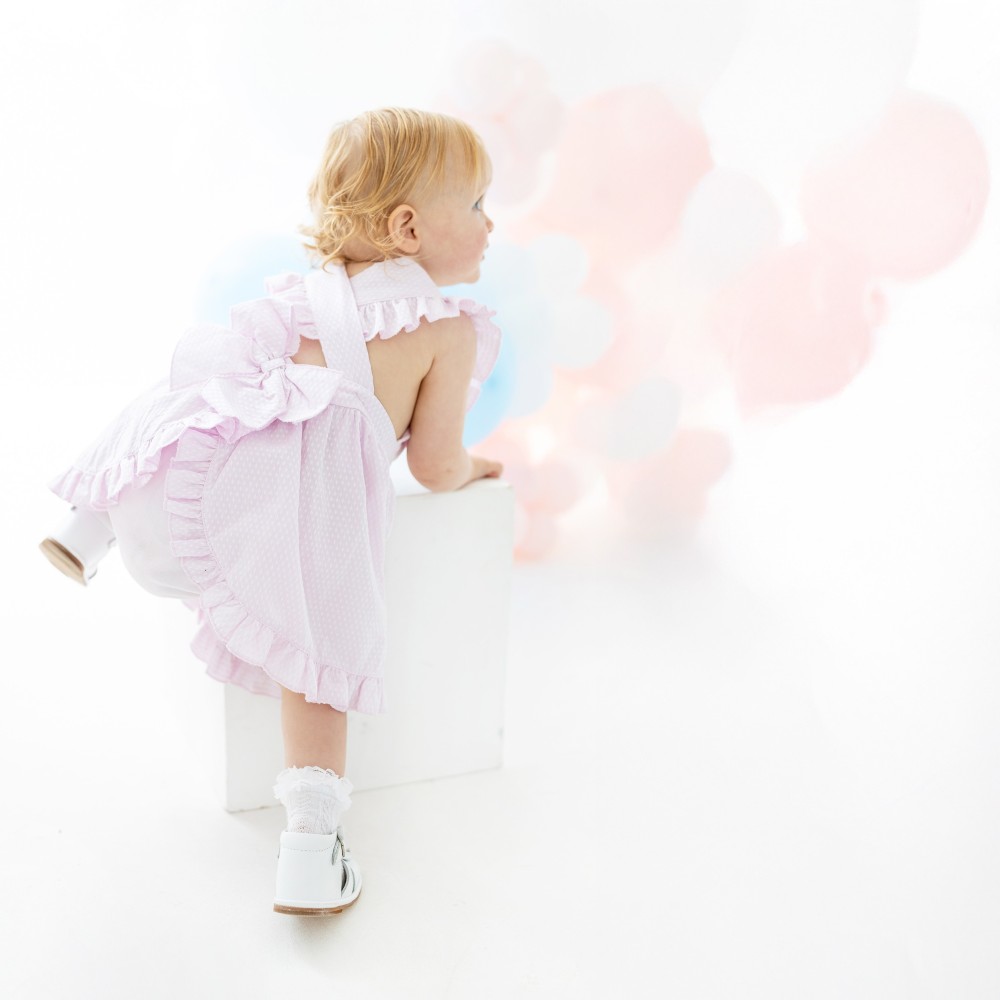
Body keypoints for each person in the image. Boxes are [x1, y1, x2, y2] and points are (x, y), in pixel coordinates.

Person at [39, 107, 505, 916]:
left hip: (210, 499)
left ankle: (91, 523)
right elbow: (432, 466)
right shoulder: (444, 329)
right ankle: (309, 851)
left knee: (193, 390)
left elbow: (226, 393)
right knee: (315, 647)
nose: (490, 223)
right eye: (475, 205)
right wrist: (475, 468)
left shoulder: (303, 299)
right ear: (407, 228)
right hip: (294, 514)